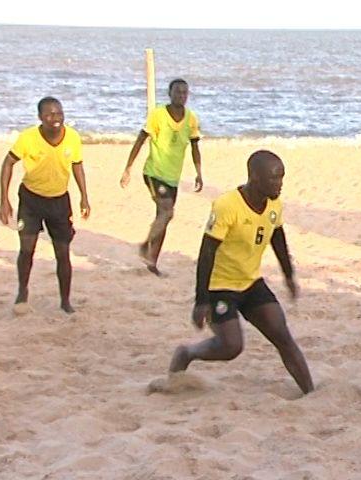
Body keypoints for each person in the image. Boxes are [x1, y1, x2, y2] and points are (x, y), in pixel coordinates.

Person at [168, 150, 314, 396]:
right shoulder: (227, 205)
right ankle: (187, 353)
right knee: (231, 346)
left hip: (251, 282)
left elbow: (277, 239)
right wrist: (201, 300)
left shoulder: (274, 205)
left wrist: (289, 275)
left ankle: (310, 392)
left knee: (282, 334)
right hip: (219, 286)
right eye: (274, 179)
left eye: (282, 178)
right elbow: (206, 253)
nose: (279, 184)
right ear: (255, 178)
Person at [0, 96, 91, 314]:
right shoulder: (28, 138)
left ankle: (65, 301)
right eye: (49, 114)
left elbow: (77, 166)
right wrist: (4, 199)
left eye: (59, 113)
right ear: (40, 117)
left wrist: (84, 197)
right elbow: (8, 162)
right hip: (31, 200)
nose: (55, 118)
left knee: (63, 253)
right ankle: (22, 291)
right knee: (27, 249)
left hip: (59, 201)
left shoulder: (73, 138)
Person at [121, 78, 203, 276]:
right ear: (170, 93)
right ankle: (144, 245)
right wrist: (128, 168)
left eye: (185, 92)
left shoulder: (191, 118)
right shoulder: (158, 115)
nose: (181, 96)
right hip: (154, 172)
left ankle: (152, 262)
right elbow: (141, 139)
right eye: (177, 92)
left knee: (163, 218)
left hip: (173, 177)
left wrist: (199, 172)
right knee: (167, 212)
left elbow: (194, 146)